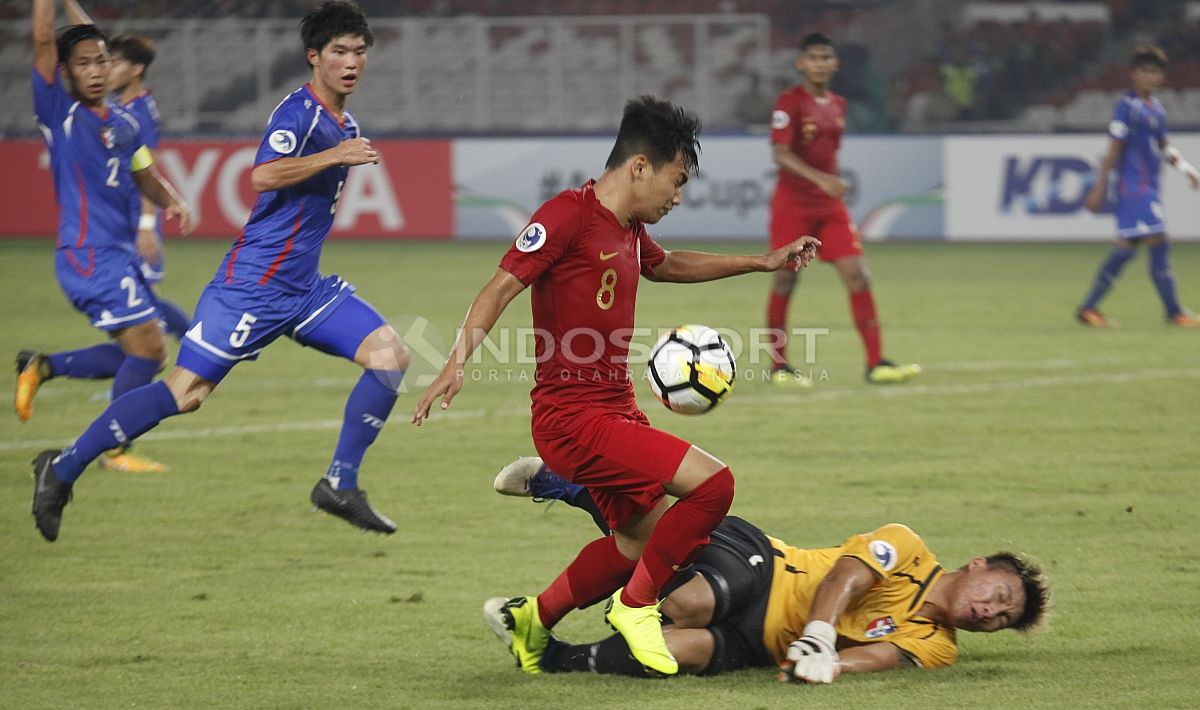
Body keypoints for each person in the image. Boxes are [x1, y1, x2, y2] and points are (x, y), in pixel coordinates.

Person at [413, 95, 820, 676]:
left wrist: (762, 262)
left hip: (615, 410)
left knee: (638, 543)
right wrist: (455, 362)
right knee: (714, 487)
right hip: (573, 421)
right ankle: (636, 607)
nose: (678, 196)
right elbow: (500, 287)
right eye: (676, 181)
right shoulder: (566, 216)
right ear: (639, 168)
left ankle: (533, 620)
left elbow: (667, 264)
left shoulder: (628, 227)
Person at [30, 0, 409, 542]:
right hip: (251, 289)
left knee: (390, 356)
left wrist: (338, 150)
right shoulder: (298, 115)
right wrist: (333, 157)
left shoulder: (344, 121)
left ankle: (339, 484)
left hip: (302, 291)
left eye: (358, 51)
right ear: (314, 58)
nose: (351, 61)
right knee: (185, 393)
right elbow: (262, 175)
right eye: (338, 51)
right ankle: (62, 468)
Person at [487, 458, 1051, 682]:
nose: (989, 613)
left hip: (757, 645)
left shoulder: (940, 646)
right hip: (761, 566)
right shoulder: (908, 548)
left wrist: (826, 667)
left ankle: (550, 653)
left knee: (667, 653)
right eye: (998, 595)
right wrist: (820, 634)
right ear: (978, 564)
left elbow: (881, 657)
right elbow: (844, 579)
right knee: (686, 600)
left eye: (1000, 619)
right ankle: (573, 486)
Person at [17, 0, 194, 474]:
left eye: (102, 61)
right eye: (83, 64)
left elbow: (144, 173)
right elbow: (41, 41)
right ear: (66, 72)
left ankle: (44, 367)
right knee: (153, 348)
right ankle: (113, 450)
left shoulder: (124, 123)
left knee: (142, 352)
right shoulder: (61, 114)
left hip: (115, 256)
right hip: (88, 255)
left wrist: (172, 199)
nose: (95, 71)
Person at [764, 33, 919, 386]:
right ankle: (778, 366)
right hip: (793, 205)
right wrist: (821, 179)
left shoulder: (838, 104)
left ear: (835, 64)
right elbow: (781, 154)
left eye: (826, 57)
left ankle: (876, 363)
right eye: (813, 58)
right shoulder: (789, 103)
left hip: (829, 206)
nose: (820, 63)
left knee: (857, 274)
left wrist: (826, 185)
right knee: (786, 278)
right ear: (800, 63)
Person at [65, 0, 192, 340]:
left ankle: (202, 347)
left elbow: (148, 170)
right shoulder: (122, 108)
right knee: (139, 311)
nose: (109, 69)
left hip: (135, 222)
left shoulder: (140, 113)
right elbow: (90, 38)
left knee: (142, 311)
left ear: (135, 69)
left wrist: (147, 225)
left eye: (116, 62)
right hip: (121, 223)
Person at [1077, 44, 1200, 329]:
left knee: (1128, 247)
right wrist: (1099, 187)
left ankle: (1089, 307)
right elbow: (1114, 149)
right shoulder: (1127, 107)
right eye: (1144, 70)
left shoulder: (1156, 109)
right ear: (1133, 74)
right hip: (1134, 188)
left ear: (1161, 77)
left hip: (1149, 188)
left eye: (1155, 72)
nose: (1150, 76)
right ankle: (1174, 313)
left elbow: (1164, 146)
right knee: (1157, 241)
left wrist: (1187, 170)